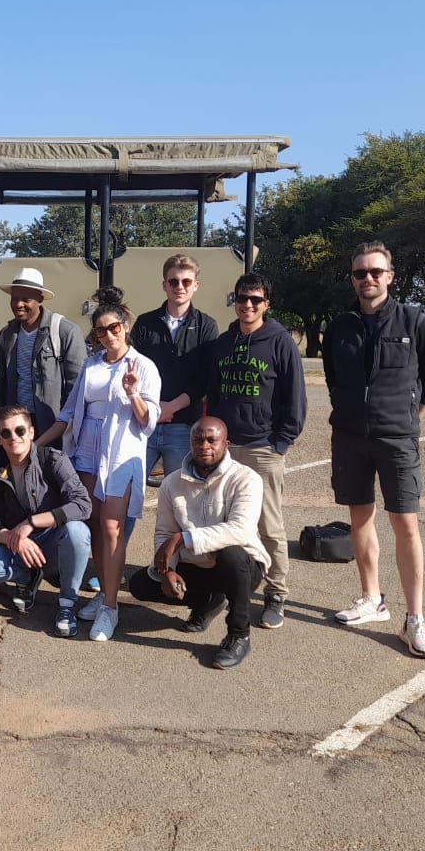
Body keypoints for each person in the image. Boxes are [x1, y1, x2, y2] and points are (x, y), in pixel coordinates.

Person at [323, 240, 425, 658]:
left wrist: (408, 419)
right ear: (352, 278)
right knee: (360, 518)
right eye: (360, 273)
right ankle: (371, 598)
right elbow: (333, 376)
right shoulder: (339, 327)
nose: (368, 279)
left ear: (390, 277)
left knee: (405, 524)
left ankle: (414, 619)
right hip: (351, 438)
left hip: (397, 439)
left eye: (376, 272)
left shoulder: (415, 322)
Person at [35, 287, 160, 642]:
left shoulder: (144, 367)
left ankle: (110, 608)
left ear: (125, 326)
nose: (107, 335)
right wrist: (36, 445)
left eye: (113, 328)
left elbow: (148, 421)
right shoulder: (91, 365)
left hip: (120, 457)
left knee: (111, 528)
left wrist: (133, 391)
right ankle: (104, 595)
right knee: (90, 524)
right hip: (85, 455)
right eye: (100, 330)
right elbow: (68, 415)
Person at [205, 272, 306, 630]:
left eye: (255, 300)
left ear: (266, 304)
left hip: (263, 447)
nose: (247, 305)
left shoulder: (280, 343)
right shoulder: (223, 343)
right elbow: (213, 396)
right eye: (242, 298)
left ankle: (276, 593)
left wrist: (280, 444)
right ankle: (224, 587)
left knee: (268, 525)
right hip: (227, 450)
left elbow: (295, 400)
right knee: (222, 521)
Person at [128, 417, 268, 669]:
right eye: (198, 440)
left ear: (226, 443)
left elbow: (241, 530)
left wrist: (184, 538)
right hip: (196, 565)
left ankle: (239, 635)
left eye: (212, 440)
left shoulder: (246, 479)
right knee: (141, 585)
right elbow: (164, 533)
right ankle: (207, 602)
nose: (204, 446)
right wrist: (167, 570)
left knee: (232, 555)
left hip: (242, 568)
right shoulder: (171, 482)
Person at [0, 406, 94, 637]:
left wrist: (31, 522)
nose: (14, 438)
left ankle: (67, 604)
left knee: (78, 531)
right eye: (6, 433)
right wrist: (13, 537)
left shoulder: (53, 460)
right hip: (16, 545)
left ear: (31, 432)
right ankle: (27, 577)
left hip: (51, 539)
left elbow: (82, 504)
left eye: (19, 430)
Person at [130, 253, 219, 489]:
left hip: (183, 428)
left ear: (196, 285)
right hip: (143, 425)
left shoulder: (206, 325)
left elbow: (205, 377)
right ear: (164, 285)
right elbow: (133, 369)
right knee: (127, 496)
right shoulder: (145, 323)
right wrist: (152, 408)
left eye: (186, 282)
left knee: (179, 502)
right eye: (173, 281)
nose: (180, 287)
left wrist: (172, 407)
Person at [0, 267, 86, 434]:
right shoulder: (7, 334)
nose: (18, 304)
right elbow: (2, 382)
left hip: (52, 425)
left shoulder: (65, 331)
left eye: (26, 299)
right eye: (14, 299)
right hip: (16, 424)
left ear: (40, 299)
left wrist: (64, 424)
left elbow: (77, 386)